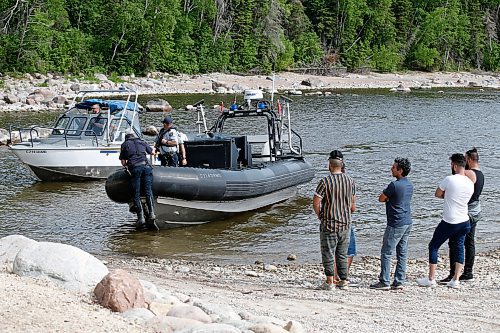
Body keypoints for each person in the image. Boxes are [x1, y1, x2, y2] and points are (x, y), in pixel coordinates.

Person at [417, 153, 473, 289]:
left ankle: (431, 278)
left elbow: (437, 193)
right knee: (459, 247)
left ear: (454, 166)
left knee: (434, 246)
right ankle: (456, 279)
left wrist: (448, 196)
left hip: (450, 220)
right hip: (464, 220)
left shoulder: (449, 179)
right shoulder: (470, 182)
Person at [313, 150, 356, 290]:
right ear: (342, 164)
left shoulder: (324, 182)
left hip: (329, 223)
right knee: (342, 253)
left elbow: (316, 203)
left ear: (329, 165)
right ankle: (343, 280)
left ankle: (330, 281)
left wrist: (321, 216)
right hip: (345, 223)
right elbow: (353, 206)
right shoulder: (350, 181)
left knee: (328, 252)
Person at [440, 148, 484, 283]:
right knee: (469, 242)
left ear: (470, 160)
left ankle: (454, 273)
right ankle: (468, 271)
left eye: (465, 160)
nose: (463, 163)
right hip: (476, 210)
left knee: (455, 242)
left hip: (466, 212)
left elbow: (457, 186)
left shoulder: (468, 173)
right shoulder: (481, 174)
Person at [370, 158, 413, 290]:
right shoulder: (410, 184)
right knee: (402, 252)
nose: (391, 169)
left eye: (394, 167)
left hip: (395, 222)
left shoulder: (394, 185)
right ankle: (399, 280)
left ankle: (384, 281)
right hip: (407, 221)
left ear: (400, 170)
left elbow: (381, 198)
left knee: (387, 252)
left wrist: (389, 198)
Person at [119, 133, 157, 230]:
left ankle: (141, 218)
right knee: (148, 191)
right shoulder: (142, 142)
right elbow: (152, 152)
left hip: (135, 168)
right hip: (146, 167)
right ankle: (152, 214)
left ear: (126, 139)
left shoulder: (124, 144)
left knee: (136, 193)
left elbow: (123, 162)